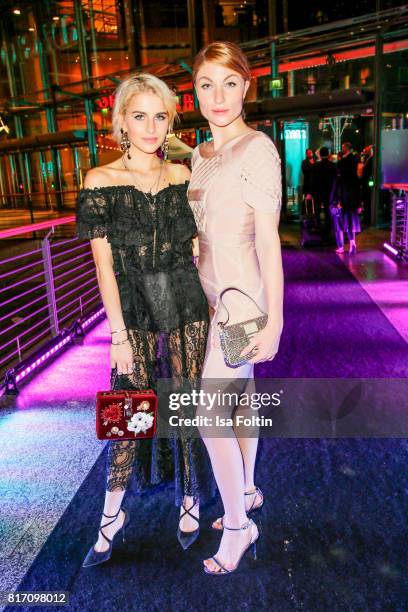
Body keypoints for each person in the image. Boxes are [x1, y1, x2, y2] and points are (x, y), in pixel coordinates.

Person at [76, 73, 216, 567]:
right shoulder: (101, 181)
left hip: (183, 299)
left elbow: (200, 247)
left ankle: (191, 495)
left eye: (161, 116)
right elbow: (103, 265)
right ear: (121, 122)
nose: (151, 127)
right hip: (132, 305)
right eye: (140, 116)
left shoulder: (182, 176)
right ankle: (112, 514)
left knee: (184, 401)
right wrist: (117, 333)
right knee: (126, 408)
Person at [188, 41, 284, 575]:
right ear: (195, 93)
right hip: (212, 299)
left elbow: (268, 241)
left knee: (208, 413)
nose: (218, 95)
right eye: (207, 84)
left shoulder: (257, 149)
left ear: (246, 86)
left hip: (242, 302)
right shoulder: (201, 154)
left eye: (229, 82)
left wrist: (274, 320)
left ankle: (240, 526)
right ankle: (245, 488)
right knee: (240, 399)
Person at [330, 142, 362, 254]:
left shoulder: (343, 164)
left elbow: (339, 183)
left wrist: (337, 200)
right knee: (350, 222)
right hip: (352, 198)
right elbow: (357, 183)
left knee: (340, 223)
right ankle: (352, 243)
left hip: (344, 197)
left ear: (346, 148)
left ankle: (343, 246)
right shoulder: (355, 161)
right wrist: (359, 203)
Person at [311, 146, 337, 244]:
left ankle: (318, 228)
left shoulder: (316, 166)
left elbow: (313, 181)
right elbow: (336, 180)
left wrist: (312, 192)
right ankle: (328, 230)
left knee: (317, 210)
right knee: (327, 211)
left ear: (320, 155)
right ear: (328, 154)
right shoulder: (333, 166)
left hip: (318, 192)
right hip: (329, 192)